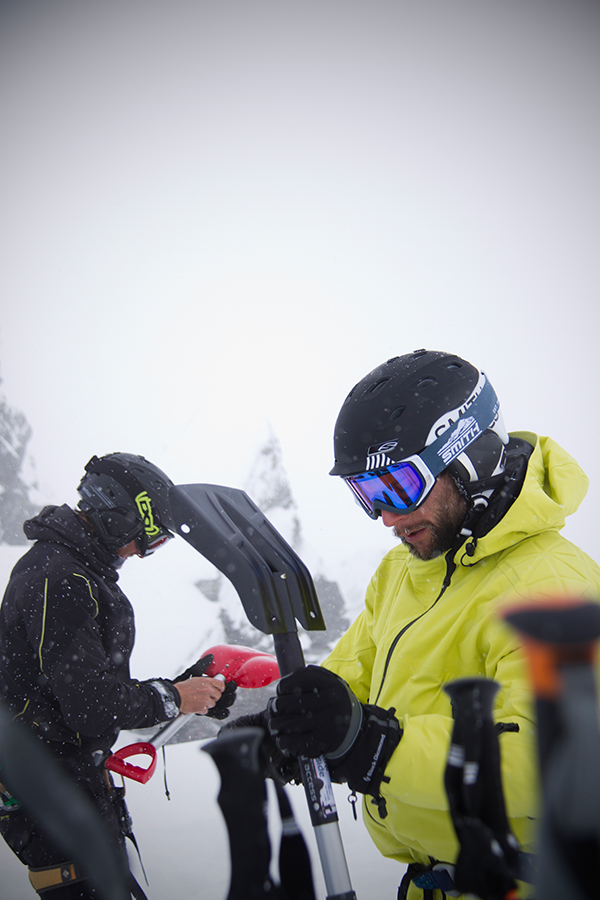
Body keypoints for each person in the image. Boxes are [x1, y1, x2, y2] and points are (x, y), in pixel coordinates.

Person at [258, 349, 600, 898]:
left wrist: (375, 748)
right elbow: (357, 669)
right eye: (367, 494)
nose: (387, 518)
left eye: (398, 486)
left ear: (468, 457)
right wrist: (294, 723)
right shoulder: (406, 569)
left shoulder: (553, 587)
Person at [0, 452, 235, 899]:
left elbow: (79, 690)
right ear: (118, 514)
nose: (144, 552)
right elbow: (89, 705)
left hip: (63, 783)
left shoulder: (70, 569)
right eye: (150, 538)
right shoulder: (60, 576)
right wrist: (172, 697)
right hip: (46, 789)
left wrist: (180, 692)